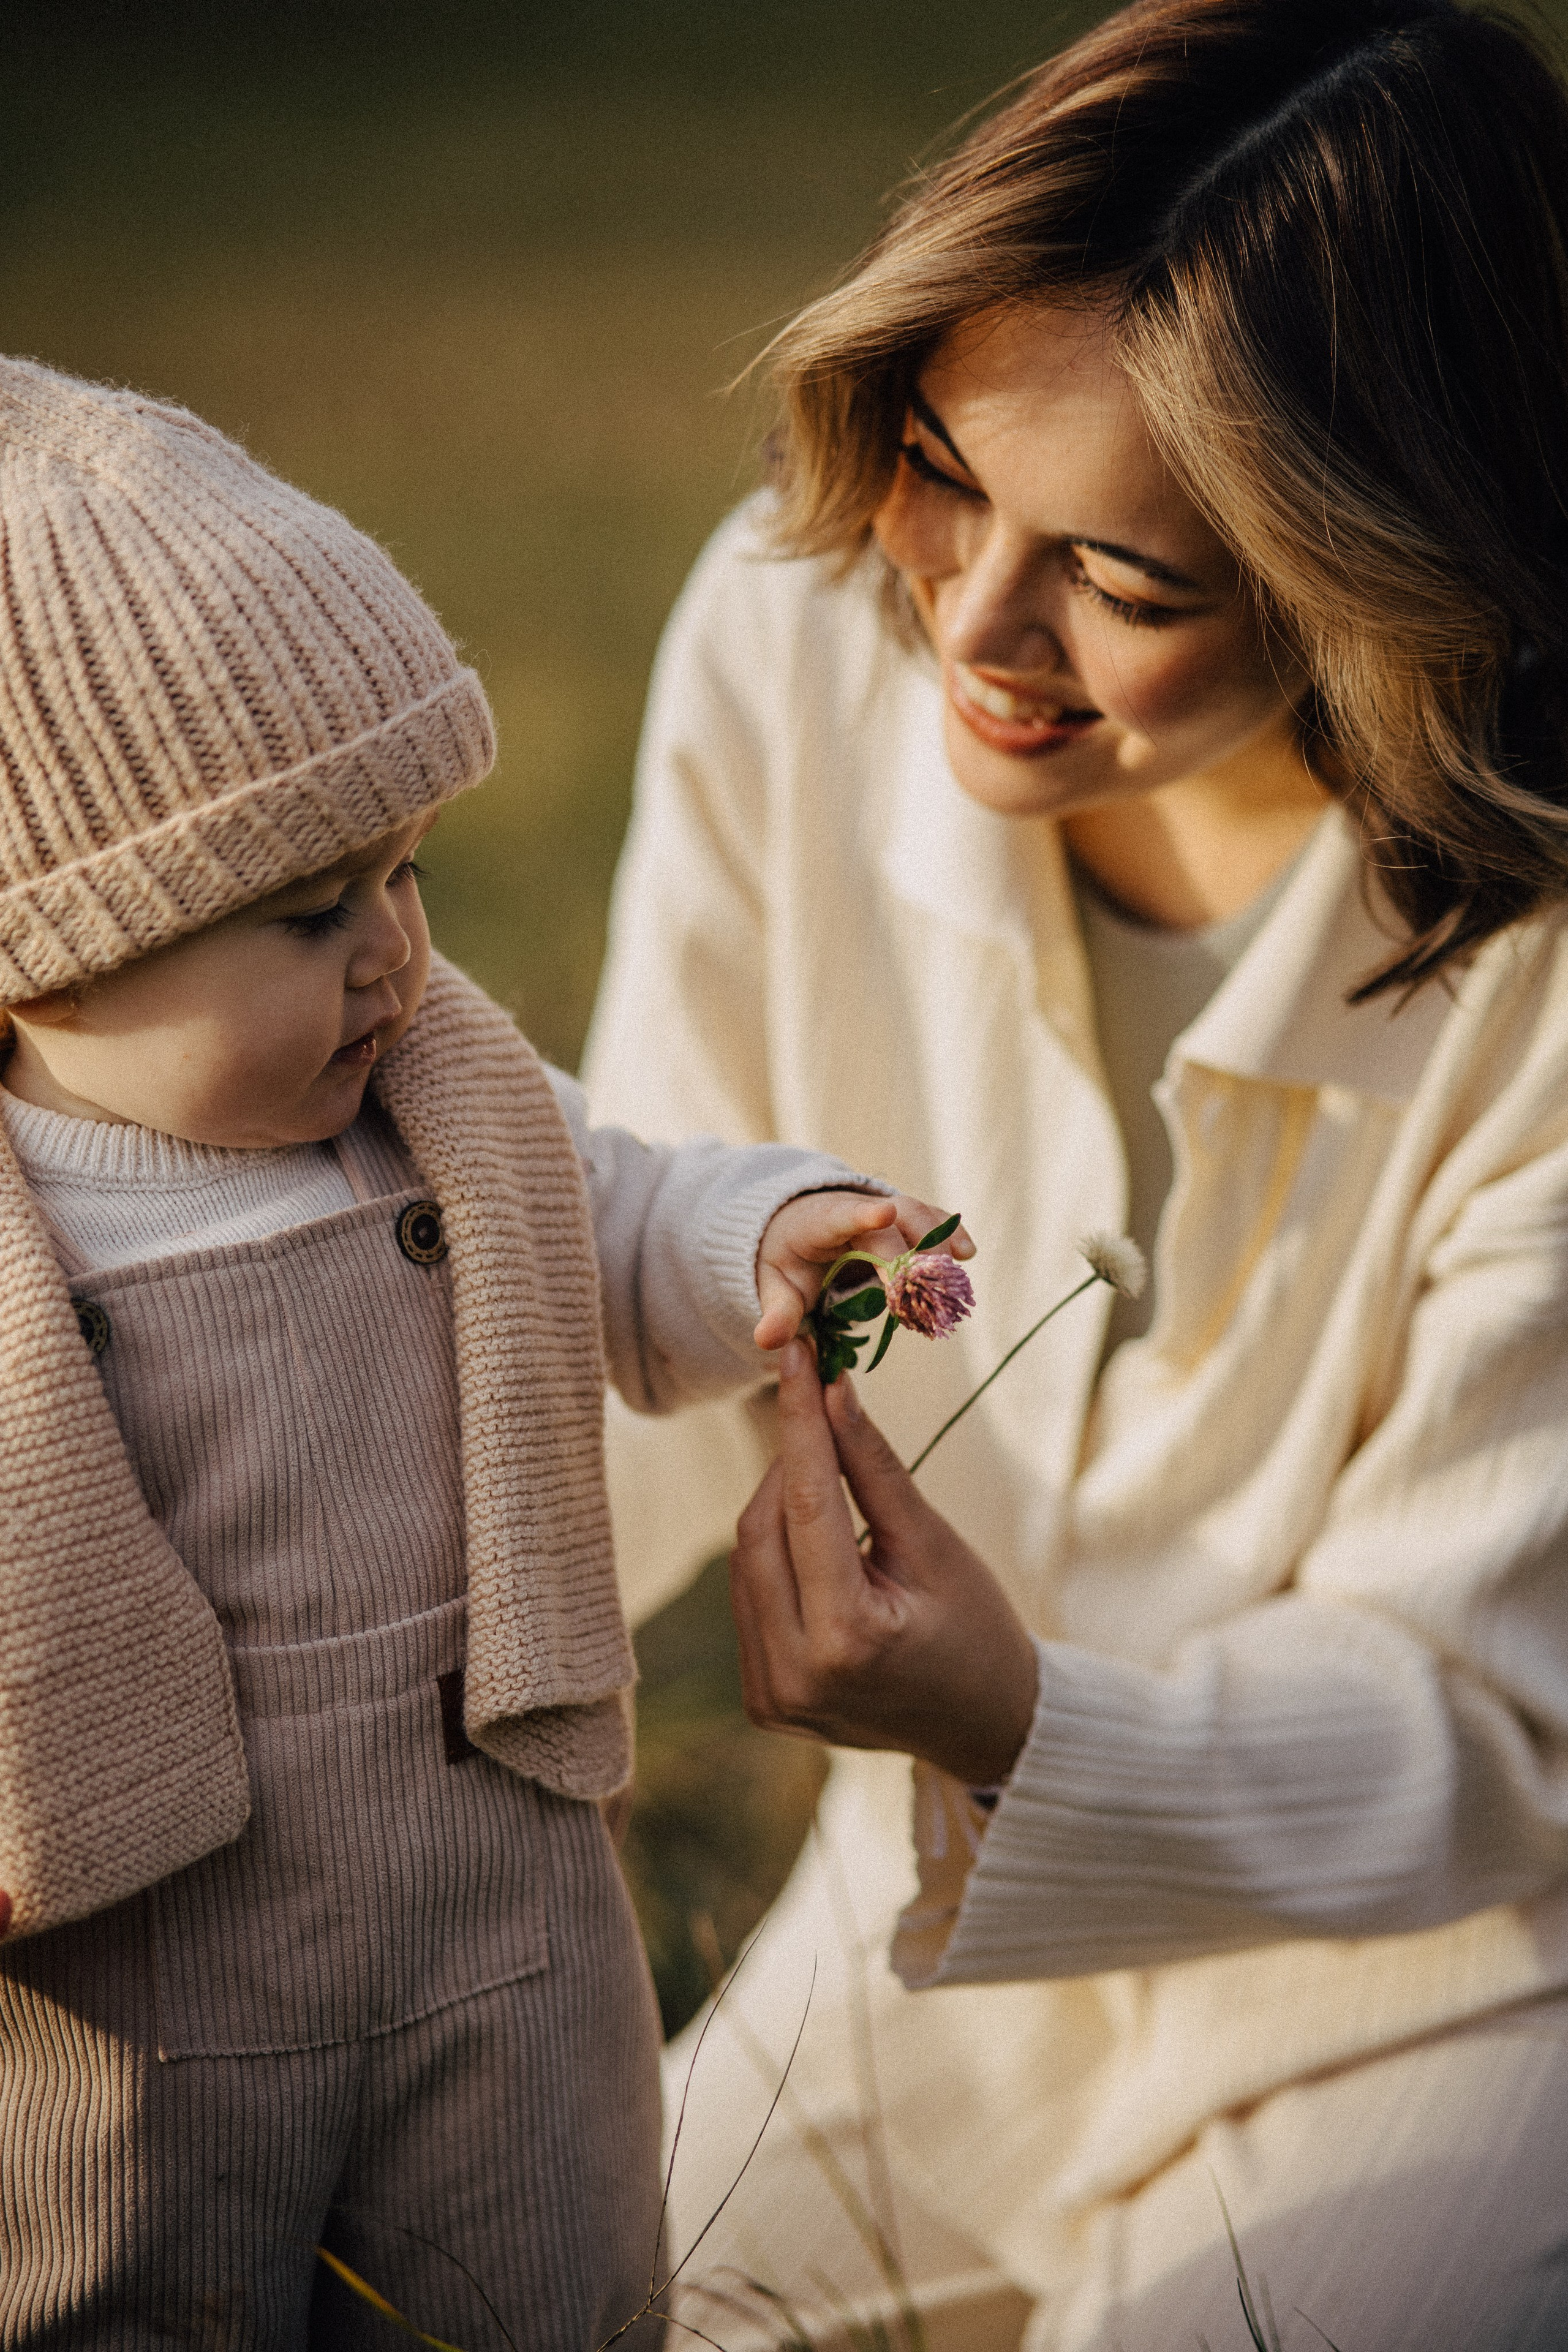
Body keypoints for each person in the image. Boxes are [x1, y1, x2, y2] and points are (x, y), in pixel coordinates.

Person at [581, 1, 1568, 2343]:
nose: (972, 620)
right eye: (940, 470)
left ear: (1384, 570)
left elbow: (1499, 1718)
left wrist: (1015, 1717)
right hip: (936, 1929)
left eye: (1127, 580)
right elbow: (618, 1313)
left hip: (1464, 1973)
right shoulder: (797, 634)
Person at [0, 356, 962, 2351]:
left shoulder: (445, 1105)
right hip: (124, 1975)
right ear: (48, 955)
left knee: (538, 2281)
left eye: (408, 871)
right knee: (122, 2286)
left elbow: (616, 1215)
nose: (395, 953)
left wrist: (758, 1234)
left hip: (497, 1900)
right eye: (306, 910)